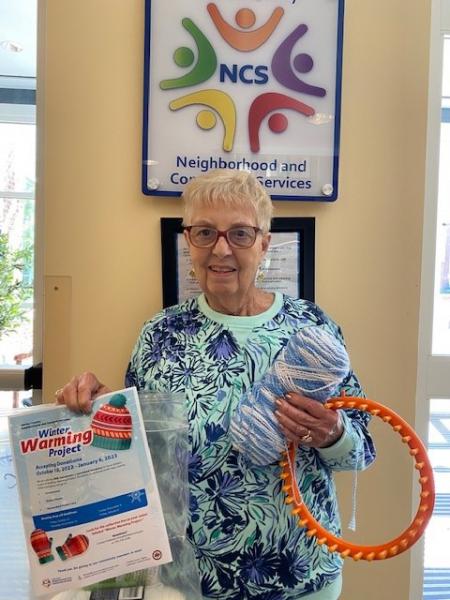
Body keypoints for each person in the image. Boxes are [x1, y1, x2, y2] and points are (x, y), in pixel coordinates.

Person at [56, 169, 376, 600]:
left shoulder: (311, 328)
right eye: (205, 232)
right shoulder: (160, 334)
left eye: (240, 234)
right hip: (189, 584)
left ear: (265, 243)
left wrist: (332, 433)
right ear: (188, 241)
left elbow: (362, 451)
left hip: (301, 576)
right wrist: (95, 408)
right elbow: (139, 455)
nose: (221, 248)